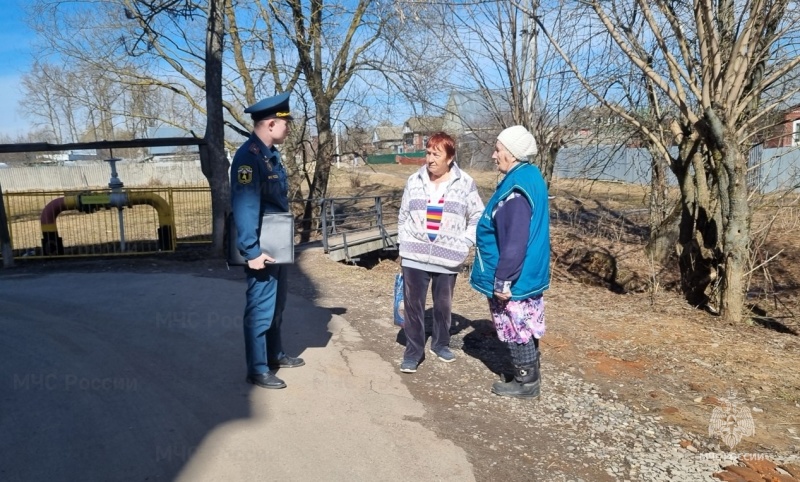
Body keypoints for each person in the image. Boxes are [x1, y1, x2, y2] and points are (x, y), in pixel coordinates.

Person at [469, 125, 550, 399]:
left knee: (517, 326)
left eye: (498, 149)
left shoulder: (516, 191)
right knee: (525, 323)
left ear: (513, 153)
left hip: (515, 275)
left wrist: (503, 280)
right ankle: (530, 373)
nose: (494, 155)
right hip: (528, 272)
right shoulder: (530, 175)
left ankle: (526, 382)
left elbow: (514, 242)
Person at [231, 91, 304, 390]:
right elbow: (245, 205)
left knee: (277, 303)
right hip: (262, 243)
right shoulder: (249, 157)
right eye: (286, 123)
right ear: (271, 124)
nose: (289, 128)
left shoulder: (269, 155)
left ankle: (274, 354)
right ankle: (258, 368)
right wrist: (251, 251)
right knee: (260, 306)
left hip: (276, 239)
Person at [396, 132, 485, 373]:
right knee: (413, 306)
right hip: (414, 255)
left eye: (437, 154)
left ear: (450, 158)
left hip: (448, 256)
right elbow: (403, 216)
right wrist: (404, 240)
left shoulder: (465, 182)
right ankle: (413, 352)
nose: (430, 159)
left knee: (443, 305)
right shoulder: (414, 181)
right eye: (428, 153)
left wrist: (465, 241)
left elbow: (478, 216)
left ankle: (441, 343)